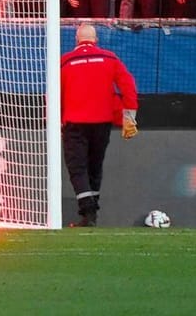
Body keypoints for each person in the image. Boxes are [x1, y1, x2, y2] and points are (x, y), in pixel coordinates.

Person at [59, 22, 138, 228]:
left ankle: (88, 211)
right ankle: (91, 214)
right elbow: (128, 86)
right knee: (95, 166)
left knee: (77, 168)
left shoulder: (65, 62)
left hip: (74, 123)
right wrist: (129, 117)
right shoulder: (110, 58)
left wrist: (54, 122)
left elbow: (54, 95)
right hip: (102, 123)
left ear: (76, 40)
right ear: (96, 40)